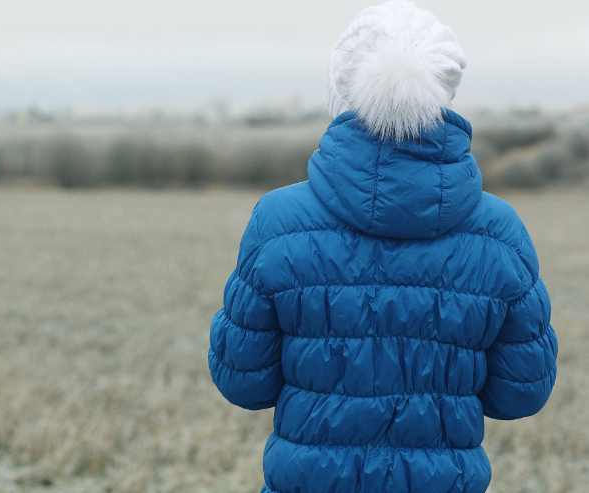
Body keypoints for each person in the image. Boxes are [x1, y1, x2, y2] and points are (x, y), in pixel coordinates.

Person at [207, 1, 559, 492]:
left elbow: (242, 381)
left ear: (342, 92)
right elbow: (522, 392)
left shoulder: (278, 223)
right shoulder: (499, 234)